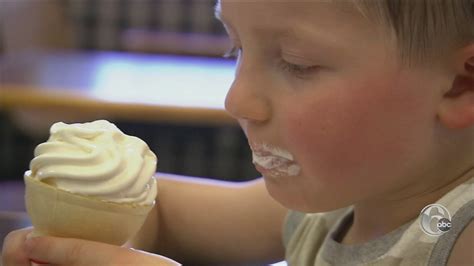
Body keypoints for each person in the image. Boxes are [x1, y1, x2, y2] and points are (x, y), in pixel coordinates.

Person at [2, 0, 474, 265]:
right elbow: (160, 209)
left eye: (297, 63)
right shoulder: (335, 204)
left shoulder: (455, 233)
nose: (237, 100)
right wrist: (78, 230)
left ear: (460, 84)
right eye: (236, 49)